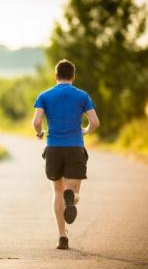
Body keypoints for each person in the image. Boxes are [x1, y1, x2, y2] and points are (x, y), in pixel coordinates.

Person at [33, 59, 100, 250]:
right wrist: (85, 131)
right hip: (74, 148)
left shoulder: (44, 95)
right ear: (73, 76)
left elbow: (37, 121)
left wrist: (39, 134)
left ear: (56, 76)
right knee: (74, 192)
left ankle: (62, 237)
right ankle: (73, 198)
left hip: (53, 148)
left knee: (57, 192)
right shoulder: (82, 95)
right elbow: (95, 122)